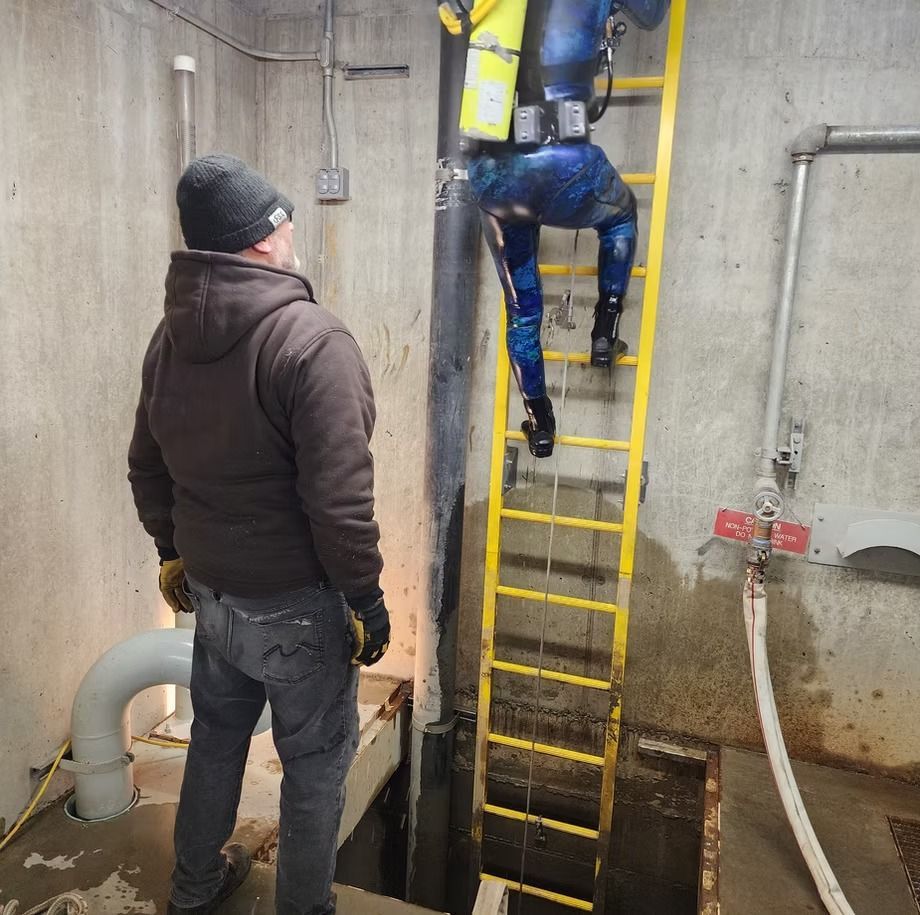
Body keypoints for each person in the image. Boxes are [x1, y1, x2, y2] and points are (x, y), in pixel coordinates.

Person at [127, 153, 390, 915]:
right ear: (260, 240)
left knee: (215, 738)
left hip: (213, 594)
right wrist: (366, 601)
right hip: (294, 607)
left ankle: (194, 888)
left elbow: (147, 462)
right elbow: (340, 501)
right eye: (282, 219)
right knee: (314, 770)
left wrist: (170, 551)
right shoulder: (313, 341)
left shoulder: (167, 340)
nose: (291, 230)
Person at [449, 0, 670, 457]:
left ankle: (540, 420)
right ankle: (604, 328)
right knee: (621, 215)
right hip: (565, 161)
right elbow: (652, 14)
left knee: (522, 309)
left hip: (493, 174)